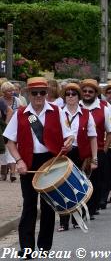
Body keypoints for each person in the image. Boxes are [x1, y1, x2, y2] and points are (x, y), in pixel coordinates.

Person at [3, 77, 74, 259]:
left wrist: (68, 143)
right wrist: (18, 161)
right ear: (28, 93)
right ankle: (27, 248)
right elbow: (10, 141)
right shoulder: (20, 114)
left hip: (51, 161)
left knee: (48, 205)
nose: (39, 96)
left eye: (42, 92)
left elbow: (69, 135)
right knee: (29, 205)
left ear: (47, 93)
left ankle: (44, 247)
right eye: (35, 93)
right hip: (27, 161)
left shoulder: (56, 111)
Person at [58, 83, 98, 231]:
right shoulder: (58, 112)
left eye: (73, 94)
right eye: (67, 94)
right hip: (63, 153)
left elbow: (93, 137)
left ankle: (78, 218)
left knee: (79, 186)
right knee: (63, 187)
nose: (70, 97)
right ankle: (63, 221)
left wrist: (94, 158)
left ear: (78, 97)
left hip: (81, 154)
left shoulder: (87, 114)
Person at [80, 79, 111, 218]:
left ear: (96, 93)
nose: (87, 94)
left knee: (96, 181)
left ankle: (92, 207)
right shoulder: (76, 106)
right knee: (81, 180)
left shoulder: (105, 109)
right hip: (80, 151)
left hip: (98, 150)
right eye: (85, 91)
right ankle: (82, 208)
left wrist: (105, 149)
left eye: (90, 91)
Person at [0, 82, 16, 181]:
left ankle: (13, 172)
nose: (11, 92)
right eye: (9, 91)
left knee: (9, 147)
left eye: (12, 90)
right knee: (2, 150)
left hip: (8, 127)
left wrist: (6, 125)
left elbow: (10, 111)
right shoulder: (1, 99)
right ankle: (4, 173)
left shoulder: (16, 100)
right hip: (3, 127)